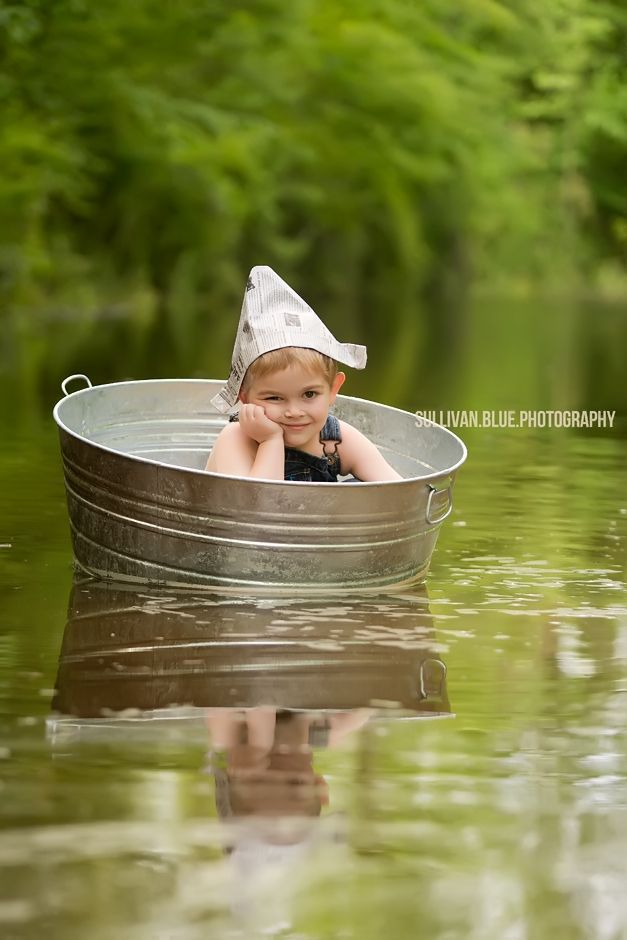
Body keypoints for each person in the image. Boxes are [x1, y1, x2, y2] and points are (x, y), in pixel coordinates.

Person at [206, 265, 402, 482]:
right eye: (274, 397)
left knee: (363, 490)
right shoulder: (236, 439)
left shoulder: (334, 441)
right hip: (248, 514)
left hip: (314, 516)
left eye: (309, 394)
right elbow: (255, 509)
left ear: (333, 389)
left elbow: (396, 489)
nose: (294, 411)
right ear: (244, 397)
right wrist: (270, 441)